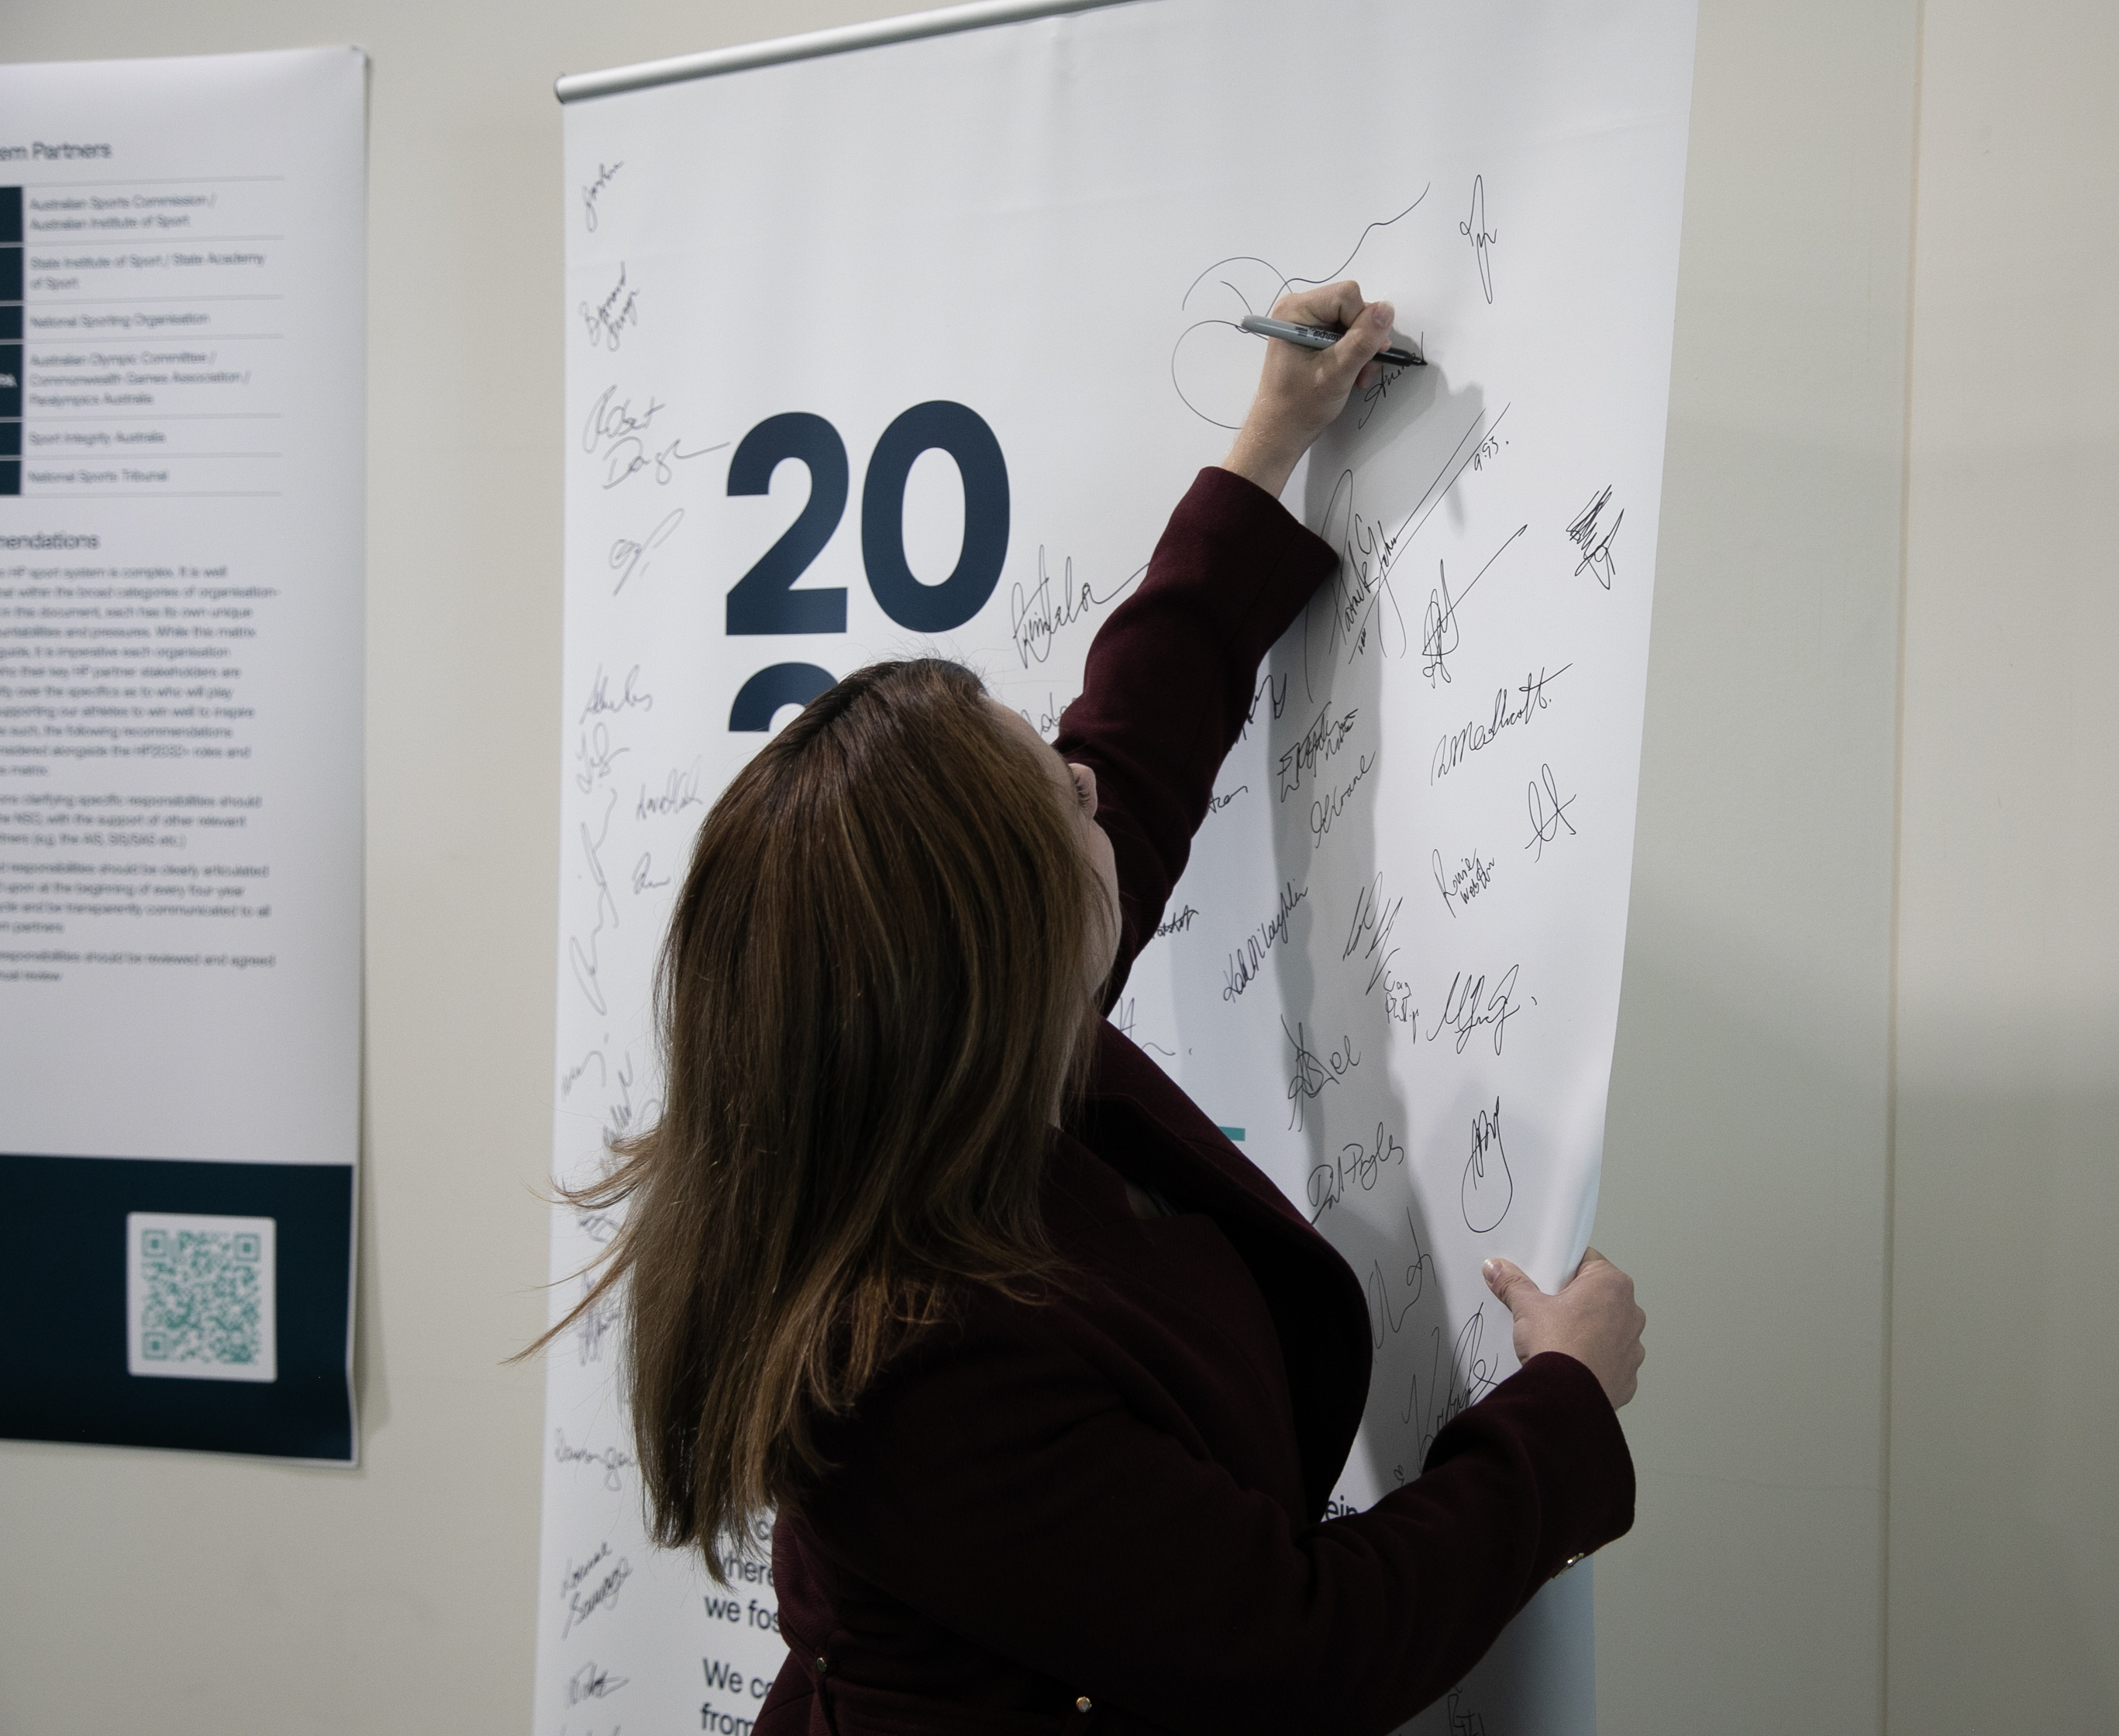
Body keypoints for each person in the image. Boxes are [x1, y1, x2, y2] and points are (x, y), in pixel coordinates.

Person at [540, 282, 1648, 1735]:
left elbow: (1129, 742)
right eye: (1057, 808)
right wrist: (1561, 1406)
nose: (1084, 787)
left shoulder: (931, 1076)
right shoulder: (921, 1372)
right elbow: (1302, 1648)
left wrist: (1262, 454)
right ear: (1001, 945)